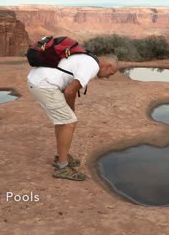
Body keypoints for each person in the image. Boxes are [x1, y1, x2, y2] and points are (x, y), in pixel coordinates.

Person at [27, 53, 119, 181]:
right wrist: (71, 112)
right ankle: (62, 167)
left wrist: (70, 110)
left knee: (63, 121)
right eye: (111, 73)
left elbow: (72, 89)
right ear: (108, 66)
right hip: (45, 85)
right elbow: (69, 91)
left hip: (39, 80)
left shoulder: (87, 59)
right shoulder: (91, 67)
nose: (108, 77)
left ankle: (61, 156)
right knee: (69, 122)